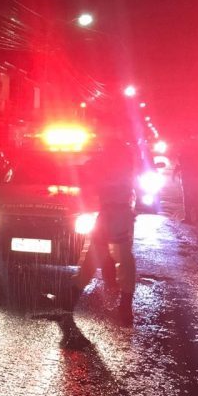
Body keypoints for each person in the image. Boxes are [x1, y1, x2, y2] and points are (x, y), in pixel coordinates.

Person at [71, 138, 138, 322]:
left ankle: (125, 305)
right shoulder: (115, 162)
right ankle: (71, 300)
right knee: (102, 256)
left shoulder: (116, 164)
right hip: (111, 213)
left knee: (119, 258)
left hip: (117, 213)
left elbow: (94, 175)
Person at [173, 136, 198, 224]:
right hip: (195, 175)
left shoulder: (184, 147)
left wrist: (175, 172)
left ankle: (189, 217)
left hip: (187, 175)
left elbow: (180, 162)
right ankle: (197, 215)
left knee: (187, 196)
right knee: (195, 195)